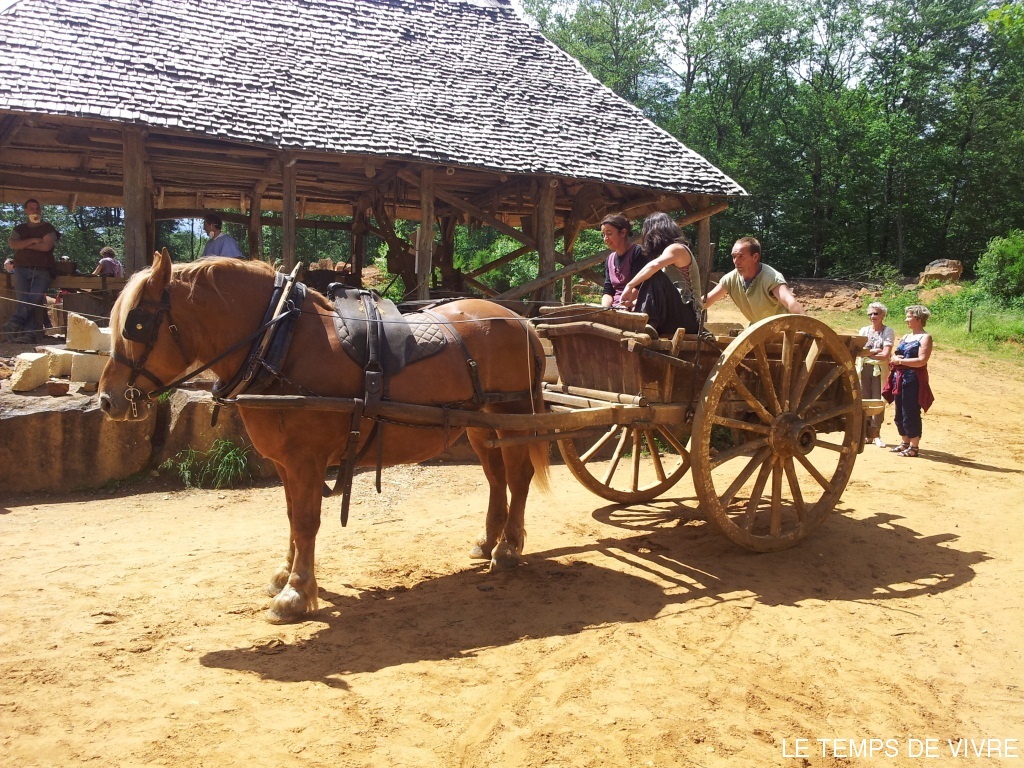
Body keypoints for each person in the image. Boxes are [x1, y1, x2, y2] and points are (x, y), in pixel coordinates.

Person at [600, 214, 692, 337]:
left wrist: (629, 287)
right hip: (662, 311)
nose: (646, 238)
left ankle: (648, 322)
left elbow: (652, 269)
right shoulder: (610, 259)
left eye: (648, 232)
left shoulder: (676, 249)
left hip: (686, 316)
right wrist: (604, 311)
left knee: (653, 274)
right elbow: (608, 290)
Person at [702, 236, 804, 322]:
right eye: (734, 256)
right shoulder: (730, 279)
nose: (736, 261)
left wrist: (807, 325)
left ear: (755, 257)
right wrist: (693, 307)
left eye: (741, 256)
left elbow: (790, 301)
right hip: (757, 330)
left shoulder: (771, 277)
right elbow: (706, 300)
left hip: (783, 331)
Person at [3, 198, 60, 344]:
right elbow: (13, 244)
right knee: (25, 300)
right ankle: (28, 334)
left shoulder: (48, 228)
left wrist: (24, 245)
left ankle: (14, 323)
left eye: (37, 207)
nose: (35, 210)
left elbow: (46, 246)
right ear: (26, 211)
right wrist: (34, 240)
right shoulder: (19, 229)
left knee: (33, 299)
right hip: (21, 268)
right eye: (32, 208)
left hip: (43, 269)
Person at [883, 305, 934, 457]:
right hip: (899, 377)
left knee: (910, 411)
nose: (906, 320)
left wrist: (900, 362)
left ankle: (914, 447)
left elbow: (921, 361)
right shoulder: (906, 337)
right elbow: (895, 355)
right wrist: (894, 358)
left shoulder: (925, 337)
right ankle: (905, 442)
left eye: (909, 317)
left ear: (918, 318)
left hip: (913, 379)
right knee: (899, 411)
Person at [858, 302, 895, 448]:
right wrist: (873, 352)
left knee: (879, 400)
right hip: (864, 368)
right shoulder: (864, 330)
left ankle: (876, 434)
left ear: (883, 315)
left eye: (876, 313)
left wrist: (867, 353)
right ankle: (866, 434)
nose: (873, 316)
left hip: (880, 369)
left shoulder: (888, 331)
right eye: (870, 314)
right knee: (864, 399)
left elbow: (885, 354)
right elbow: (858, 351)